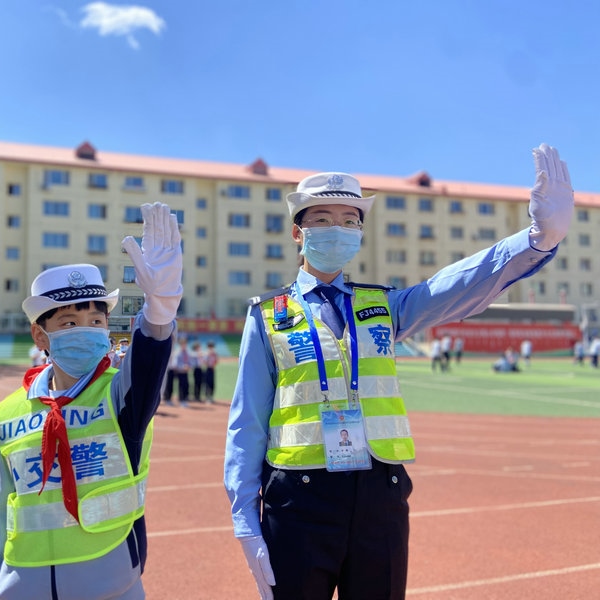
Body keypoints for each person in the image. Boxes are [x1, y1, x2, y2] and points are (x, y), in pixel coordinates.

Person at [223, 144, 573, 600]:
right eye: (323, 220)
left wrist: (535, 240)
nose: (337, 230)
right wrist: (245, 519)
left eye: (350, 222)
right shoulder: (268, 315)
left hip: (380, 495)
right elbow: (247, 422)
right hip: (298, 499)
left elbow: (452, 287)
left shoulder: (383, 305)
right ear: (297, 232)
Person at [0, 202, 182, 600]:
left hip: (113, 587)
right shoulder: (9, 414)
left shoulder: (120, 397)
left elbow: (149, 361)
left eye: (96, 321)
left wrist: (160, 309)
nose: (87, 331)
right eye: (68, 323)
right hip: (23, 588)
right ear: (41, 336)